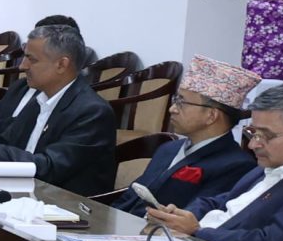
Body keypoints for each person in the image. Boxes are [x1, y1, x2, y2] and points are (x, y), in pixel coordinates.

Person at [142, 81, 283, 241]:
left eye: (265, 135)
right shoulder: (275, 163)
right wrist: (179, 216)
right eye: (253, 133)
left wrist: (196, 231)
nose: (253, 144)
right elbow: (221, 202)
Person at [0, 21, 117, 194]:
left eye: (32, 59)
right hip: (21, 192)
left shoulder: (92, 112)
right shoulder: (40, 99)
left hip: (66, 205)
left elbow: (50, 167)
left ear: (62, 64)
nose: (23, 66)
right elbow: (6, 139)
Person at [110, 56, 258, 216]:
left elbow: (194, 218)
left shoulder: (236, 165)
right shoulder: (168, 148)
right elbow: (131, 197)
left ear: (211, 115)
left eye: (181, 102)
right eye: (175, 100)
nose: (172, 109)